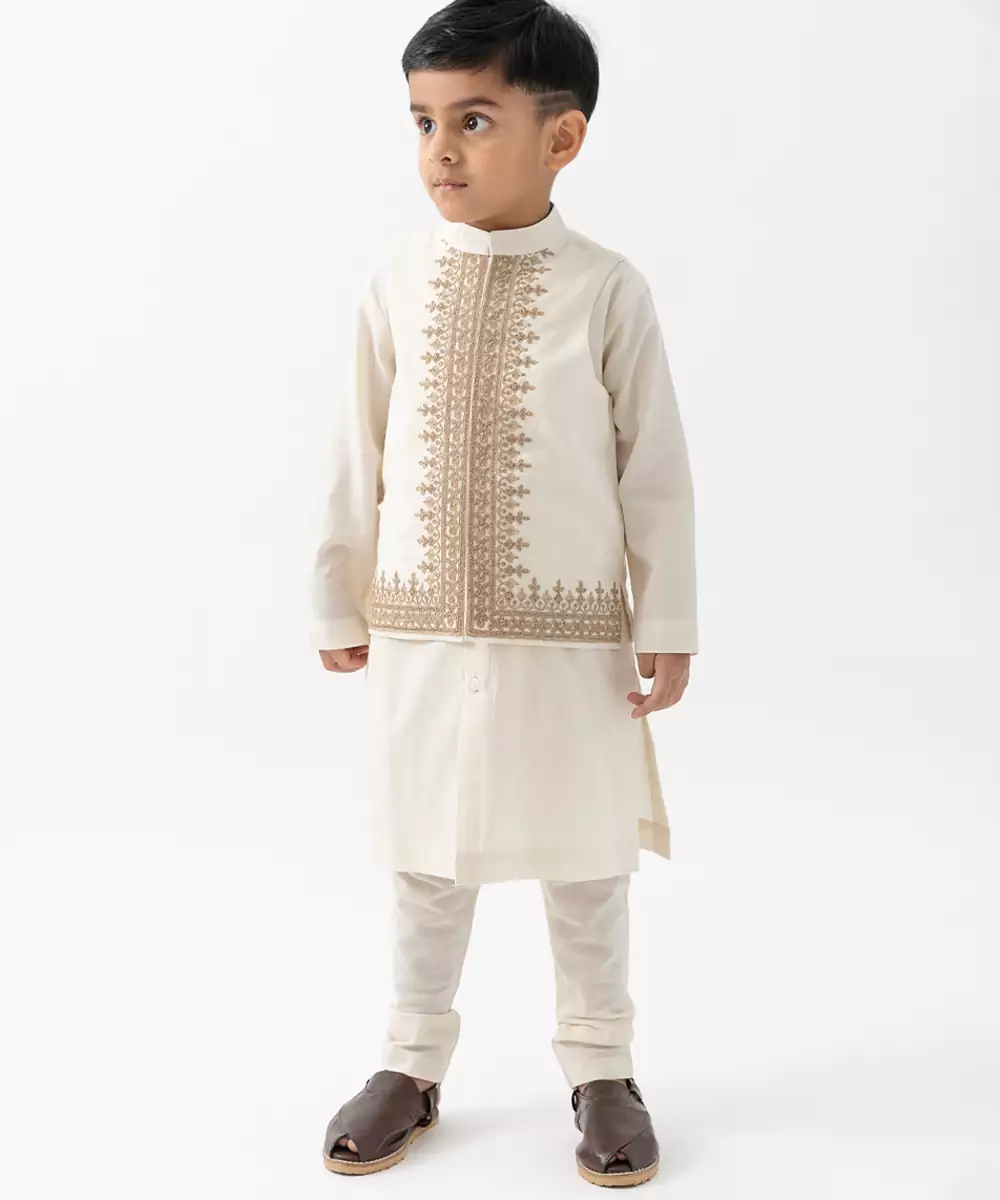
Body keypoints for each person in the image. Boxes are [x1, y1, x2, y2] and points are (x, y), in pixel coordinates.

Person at [311, 0, 698, 1185]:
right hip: (419, 629)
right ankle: (410, 1061)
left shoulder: (606, 291)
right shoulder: (395, 281)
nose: (440, 151)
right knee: (426, 858)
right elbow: (355, 451)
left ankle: (602, 1066)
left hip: (570, 637)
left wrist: (667, 621)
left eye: (473, 121)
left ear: (561, 138)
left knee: (586, 861)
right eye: (423, 121)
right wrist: (338, 594)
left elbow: (654, 469)